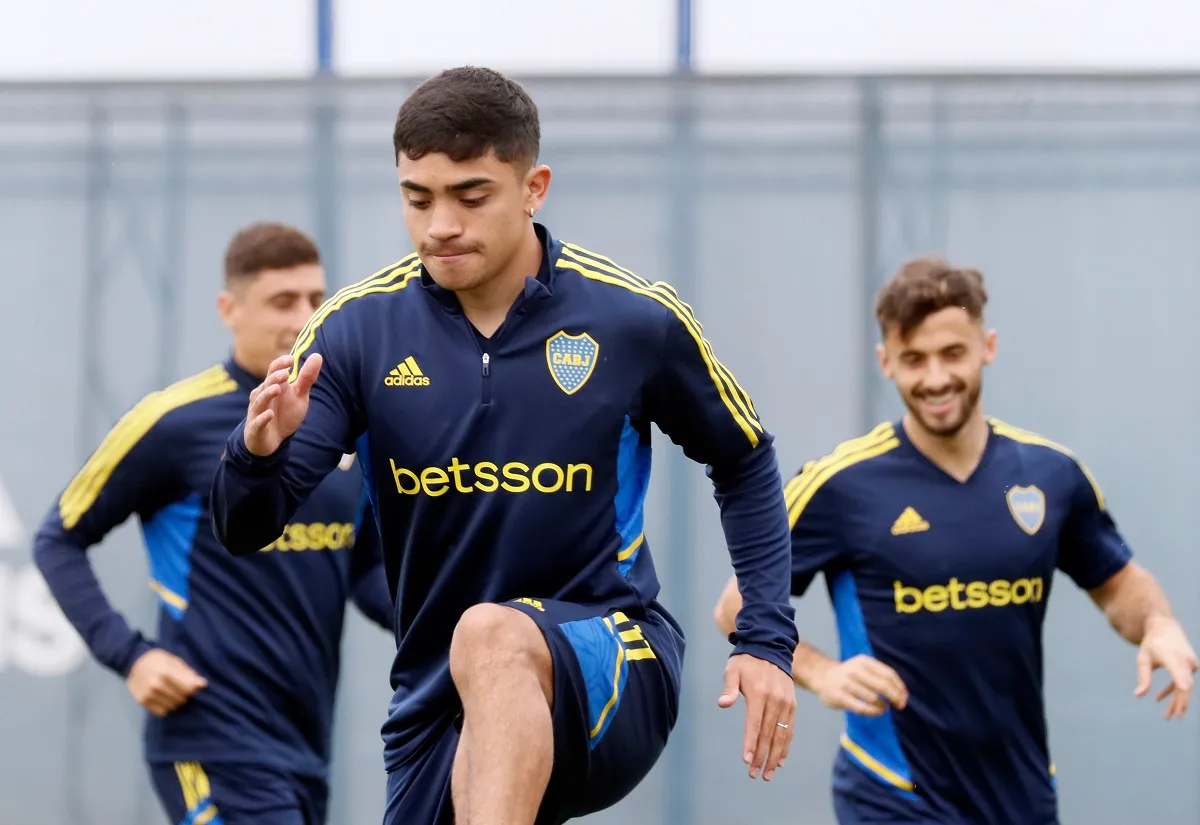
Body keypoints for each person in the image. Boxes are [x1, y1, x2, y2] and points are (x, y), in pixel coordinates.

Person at [208, 66, 799, 825]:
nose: (439, 225)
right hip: (435, 699)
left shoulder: (631, 319)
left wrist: (766, 640)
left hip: (615, 656)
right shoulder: (355, 332)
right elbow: (244, 524)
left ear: (534, 186)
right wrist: (255, 452)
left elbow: (744, 457)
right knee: (478, 648)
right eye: (417, 198)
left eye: (470, 195)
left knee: (491, 630)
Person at [712, 256, 1198, 824]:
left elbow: (1120, 588)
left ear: (987, 347)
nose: (936, 378)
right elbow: (736, 606)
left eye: (953, 354)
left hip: (1022, 793)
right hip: (893, 793)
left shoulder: (1052, 475)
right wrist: (824, 673)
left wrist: (1159, 625)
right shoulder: (839, 484)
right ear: (885, 362)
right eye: (914, 359)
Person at [33, 222, 394, 825]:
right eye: (283, 301)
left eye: (315, 300)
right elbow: (58, 538)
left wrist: (456, 625)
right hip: (213, 737)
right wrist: (131, 657)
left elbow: (366, 570)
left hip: (305, 745)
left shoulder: (346, 427)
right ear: (230, 309)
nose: (303, 317)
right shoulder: (173, 421)